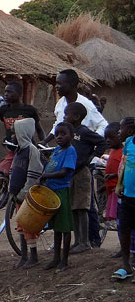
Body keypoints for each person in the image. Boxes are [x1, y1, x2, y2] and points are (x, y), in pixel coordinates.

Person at [64, 102, 106, 255]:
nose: (64, 116)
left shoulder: (84, 132)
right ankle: (78, 241)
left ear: (76, 116)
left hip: (82, 172)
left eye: (67, 114)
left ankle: (85, 242)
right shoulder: (69, 131)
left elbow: (101, 142)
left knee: (82, 208)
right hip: (72, 173)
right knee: (74, 207)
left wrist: (92, 157)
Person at [40, 123, 77, 272]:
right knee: (56, 227)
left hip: (62, 191)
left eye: (63, 134)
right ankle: (56, 258)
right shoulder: (56, 150)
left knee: (65, 227)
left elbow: (64, 171)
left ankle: (64, 260)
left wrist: (46, 176)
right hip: (52, 191)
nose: (59, 137)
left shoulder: (70, 151)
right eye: (57, 134)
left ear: (71, 136)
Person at [8, 118, 44, 268]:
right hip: (18, 196)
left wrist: (24, 192)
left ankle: (33, 256)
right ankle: (24, 255)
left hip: (26, 196)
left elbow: (34, 172)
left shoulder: (31, 150)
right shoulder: (19, 151)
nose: (12, 137)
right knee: (21, 225)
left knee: (29, 226)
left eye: (15, 133)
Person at [0, 82, 45, 176]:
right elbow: (7, 127)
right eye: (5, 92)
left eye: (10, 92)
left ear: (19, 94)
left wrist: (44, 143)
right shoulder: (4, 110)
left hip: (27, 149)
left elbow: (39, 129)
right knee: (1, 172)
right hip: (13, 148)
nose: (6, 94)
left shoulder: (29, 110)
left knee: (24, 175)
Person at [112, 119, 135, 279]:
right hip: (127, 195)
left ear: (130, 130)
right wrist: (119, 184)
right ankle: (126, 266)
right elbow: (124, 164)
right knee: (124, 229)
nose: (119, 132)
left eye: (121, 128)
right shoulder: (129, 142)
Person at [103, 122, 122, 227]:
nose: (108, 140)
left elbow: (123, 170)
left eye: (111, 138)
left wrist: (114, 175)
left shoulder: (123, 152)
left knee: (121, 217)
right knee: (116, 219)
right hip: (111, 190)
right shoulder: (111, 151)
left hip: (118, 190)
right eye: (106, 138)